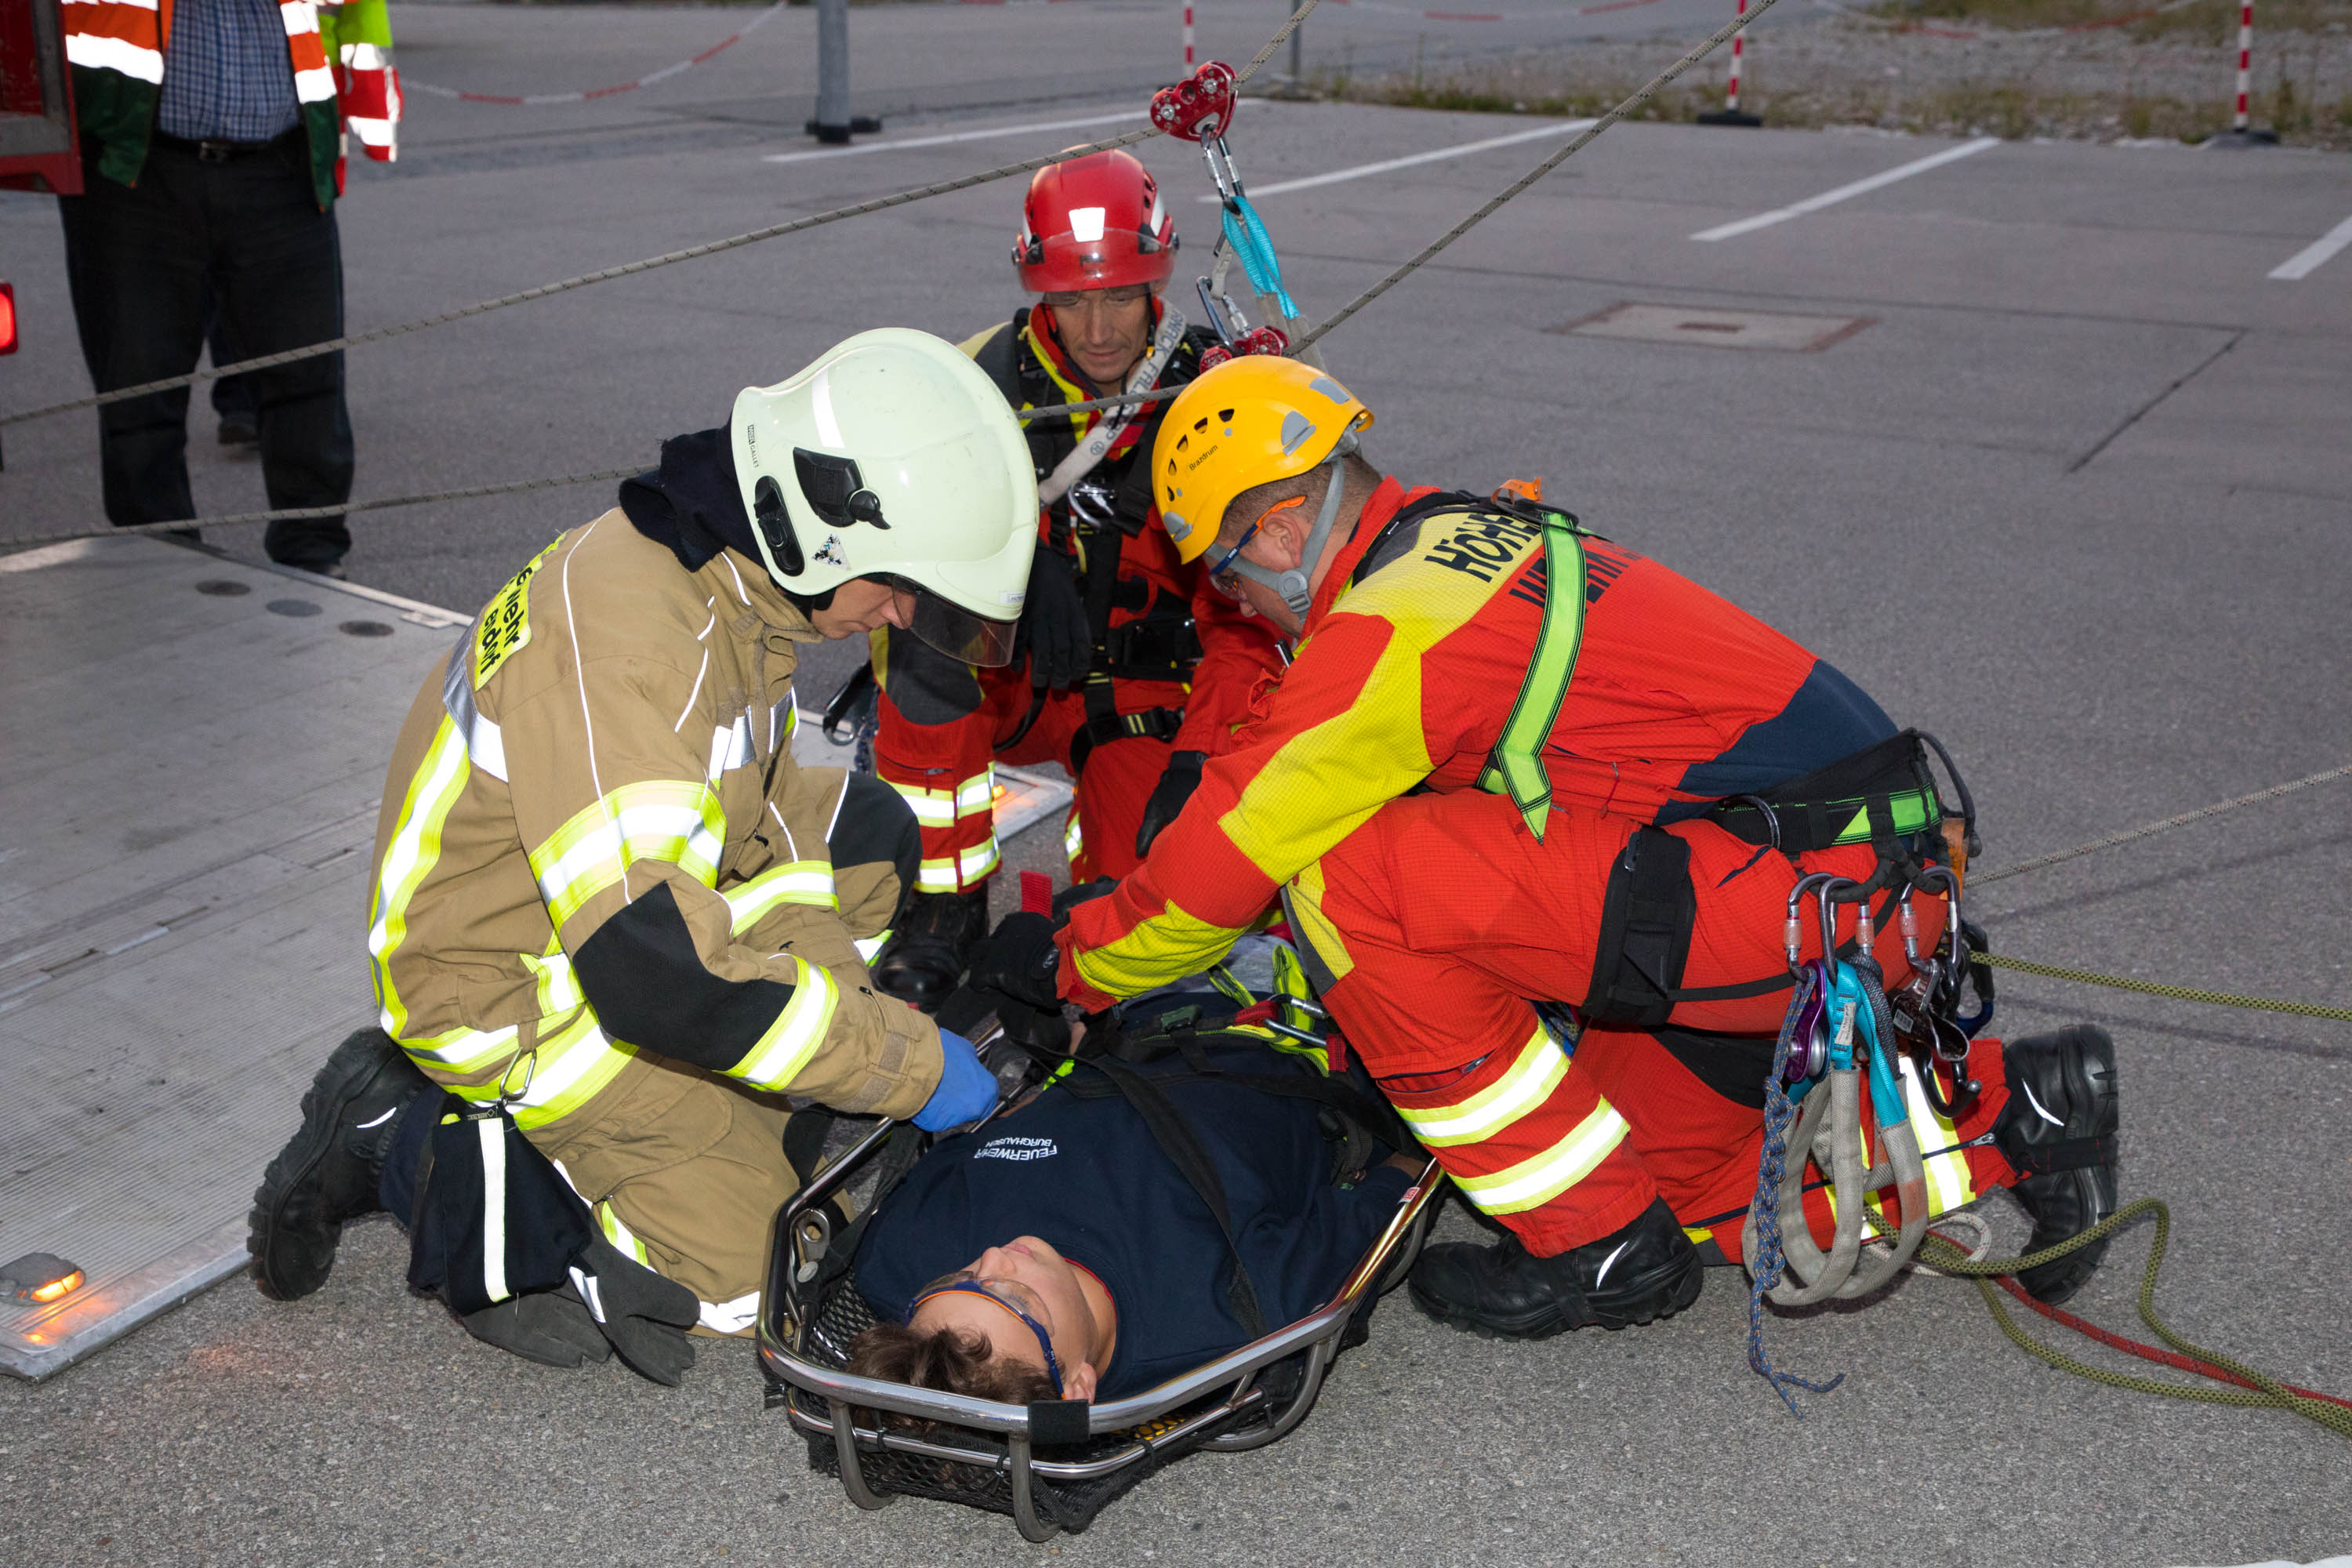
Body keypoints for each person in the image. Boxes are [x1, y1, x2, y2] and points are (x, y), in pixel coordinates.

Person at [974, 355, 2122, 1339]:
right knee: (1677, 1184)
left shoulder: (1391, 629)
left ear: (1278, 527)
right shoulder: (1470, 533)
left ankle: (1600, 1249)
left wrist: (1070, 959)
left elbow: (1224, 863)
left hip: (1792, 903)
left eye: (1227, 577)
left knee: (1342, 877)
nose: (1239, 606)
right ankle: (2024, 1115)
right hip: (1842, 892)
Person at [248, 331, 1036, 1380]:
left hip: (619, 903)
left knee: (868, 840)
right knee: (746, 1281)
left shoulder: (729, 585)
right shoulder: (633, 636)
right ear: (824, 527)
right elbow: (655, 970)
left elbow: (742, 818)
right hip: (503, 979)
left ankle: (728, 1110)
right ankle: (405, 1134)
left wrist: (858, 1033)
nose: (898, 618)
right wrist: (906, 1063)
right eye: (899, 589)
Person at [866, 148, 1284, 1010]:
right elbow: (896, 559)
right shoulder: (973, 385)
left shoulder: (1215, 390)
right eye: (1071, 300)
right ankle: (942, 903)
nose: (1097, 330)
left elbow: (1253, 616)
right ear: (1038, 293)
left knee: (1155, 922)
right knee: (922, 632)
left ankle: (1126, 879)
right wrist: (1013, 559)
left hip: (1149, 696)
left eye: (1120, 298)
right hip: (1011, 671)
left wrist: (1200, 757)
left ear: (1156, 284)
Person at [848, 1036, 1419, 1403]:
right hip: (1294, 1044)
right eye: (1019, 1299)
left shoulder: (898, 1259)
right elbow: (1394, 1189)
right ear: (1078, 1387)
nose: (995, 1258)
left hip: (1125, 1024)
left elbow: (962, 1145)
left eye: (961, 1278)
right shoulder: (1225, 1312)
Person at [57, 0, 401, 574]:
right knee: (138, 388)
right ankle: (159, 566)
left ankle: (314, 560)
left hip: (283, 167)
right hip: (132, 165)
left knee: (307, 381)